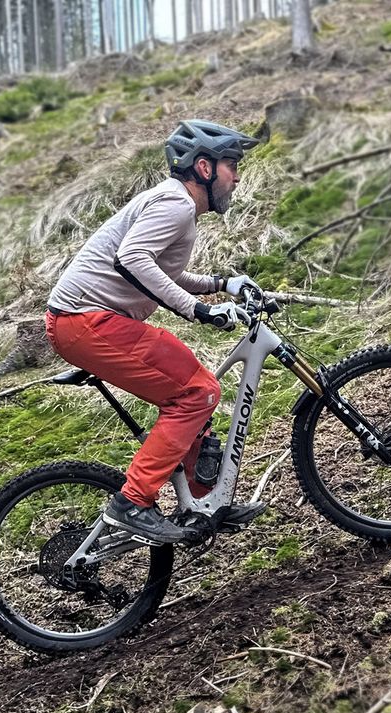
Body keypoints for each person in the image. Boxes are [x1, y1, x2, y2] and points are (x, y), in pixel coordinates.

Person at [45, 120, 268, 544]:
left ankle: (205, 504)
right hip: (85, 321)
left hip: (91, 321)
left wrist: (221, 283)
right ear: (204, 167)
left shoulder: (175, 204)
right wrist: (198, 310)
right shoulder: (176, 204)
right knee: (196, 392)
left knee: (191, 393)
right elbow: (133, 259)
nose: (237, 176)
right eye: (231, 165)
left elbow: (165, 271)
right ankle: (132, 502)